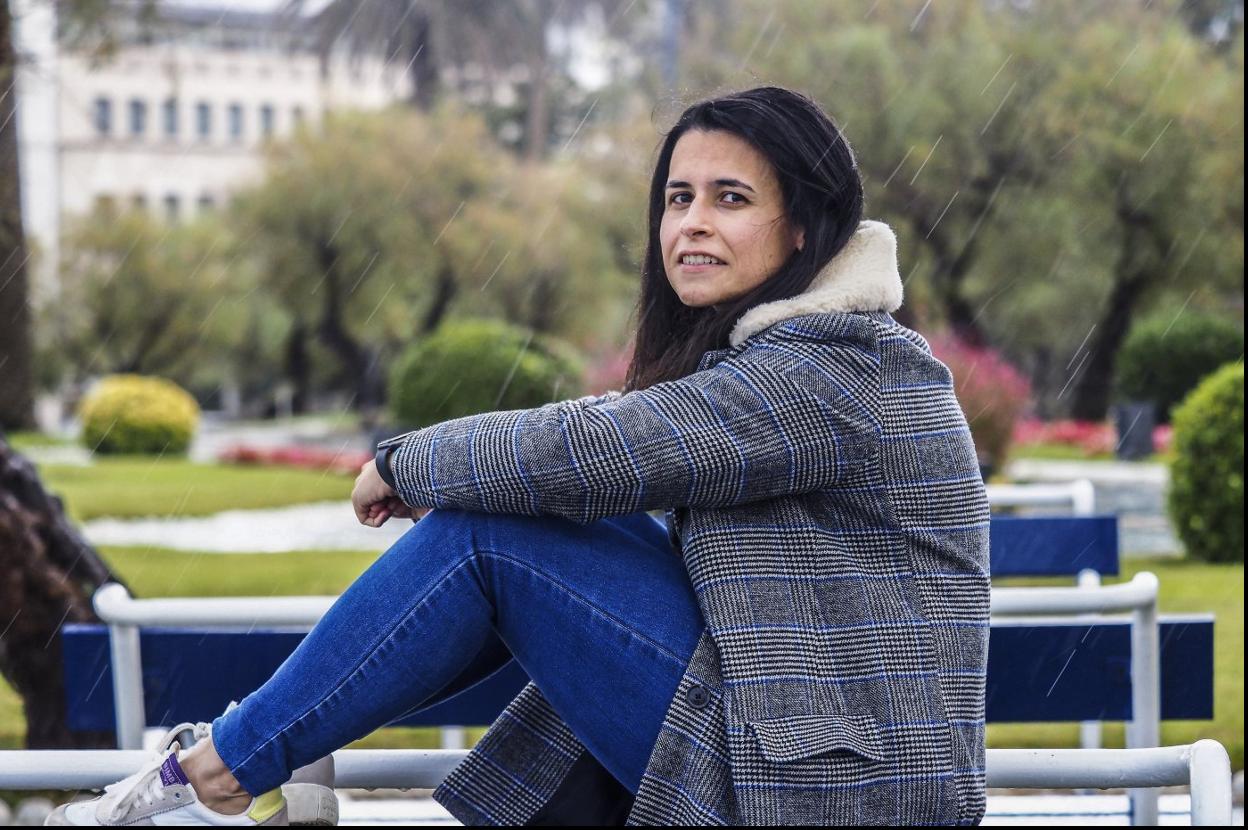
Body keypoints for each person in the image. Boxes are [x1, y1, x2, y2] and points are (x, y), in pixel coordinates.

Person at [49, 85, 989, 827]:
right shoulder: (793, 365)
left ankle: (223, 763)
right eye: (678, 197)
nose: (690, 223)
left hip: (833, 789)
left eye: (729, 199)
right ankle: (240, 755)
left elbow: (601, 450)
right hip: (823, 759)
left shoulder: (832, 372)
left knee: (489, 538)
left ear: (804, 228)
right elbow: (612, 443)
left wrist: (409, 463)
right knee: (517, 525)